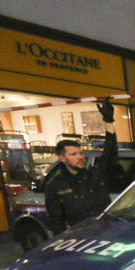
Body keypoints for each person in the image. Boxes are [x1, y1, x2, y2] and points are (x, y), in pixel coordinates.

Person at [45, 97, 118, 233]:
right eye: (73, 154)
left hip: (108, 232)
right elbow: (56, 222)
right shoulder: (56, 185)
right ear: (62, 158)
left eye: (80, 153)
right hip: (82, 237)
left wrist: (109, 122)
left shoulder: (95, 174)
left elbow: (111, 153)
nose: (80, 157)